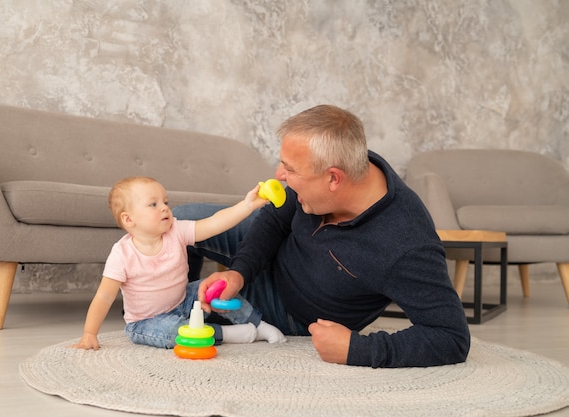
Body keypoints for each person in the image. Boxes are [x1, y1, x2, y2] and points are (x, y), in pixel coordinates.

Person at [174, 104, 471, 368]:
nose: (279, 175)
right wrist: (239, 272)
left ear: (333, 178)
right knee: (179, 221)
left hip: (291, 308)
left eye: (290, 169)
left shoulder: (405, 245)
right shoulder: (348, 159)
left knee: (183, 311)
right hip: (279, 252)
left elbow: (451, 336)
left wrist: (358, 349)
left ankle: (177, 312)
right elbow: (276, 218)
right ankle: (175, 294)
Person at [72, 176, 286, 351]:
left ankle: (259, 324)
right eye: (153, 204)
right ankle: (229, 335)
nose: (165, 208)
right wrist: (89, 334)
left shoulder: (176, 231)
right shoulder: (122, 254)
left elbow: (214, 223)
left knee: (217, 287)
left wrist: (247, 205)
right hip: (147, 321)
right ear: (129, 220)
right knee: (174, 333)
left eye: (166, 202)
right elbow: (104, 296)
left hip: (184, 301)